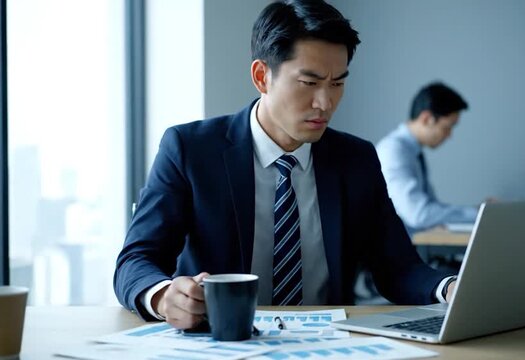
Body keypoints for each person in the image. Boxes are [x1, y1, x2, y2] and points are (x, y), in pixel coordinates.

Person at [113, 0, 456, 330]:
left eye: (337, 83)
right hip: (224, 343)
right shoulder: (190, 150)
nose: (325, 102)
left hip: (328, 346)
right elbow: (136, 260)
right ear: (262, 76)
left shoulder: (356, 160)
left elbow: (398, 267)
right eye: (309, 83)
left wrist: (450, 288)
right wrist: (162, 296)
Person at [376, 82, 478, 236]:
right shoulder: (394, 151)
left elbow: (430, 207)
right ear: (426, 118)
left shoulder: (412, 152)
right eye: (447, 127)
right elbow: (419, 214)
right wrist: (477, 214)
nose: (449, 135)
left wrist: (477, 211)